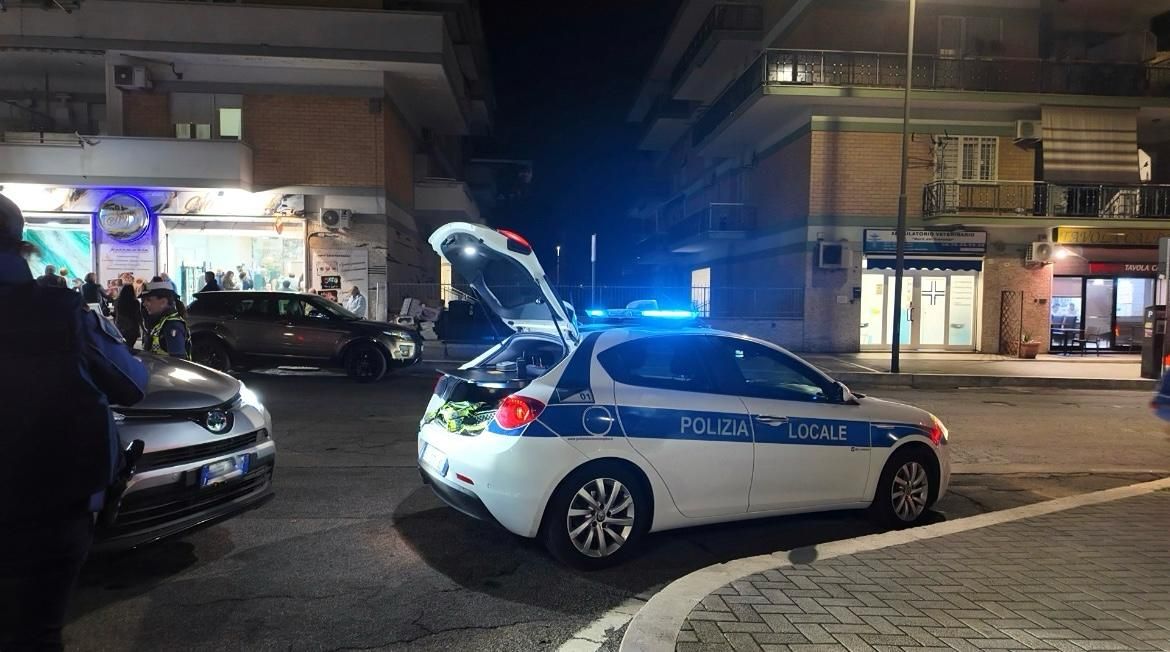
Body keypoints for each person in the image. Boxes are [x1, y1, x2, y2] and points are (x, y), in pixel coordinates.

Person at [0, 192, 148, 652]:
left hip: (46, 499)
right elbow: (131, 383)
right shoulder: (56, 311)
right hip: (48, 500)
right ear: (19, 242)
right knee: (34, 632)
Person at [141, 281, 191, 359]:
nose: (144, 304)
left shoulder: (172, 325)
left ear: (163, 302)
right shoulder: (162, 322)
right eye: (144, 300)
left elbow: (177, 361)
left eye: (148, 300)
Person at [113, 284, 143, 350]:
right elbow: (138, 316)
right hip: (132, 328)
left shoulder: (117, 301)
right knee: (130, 346)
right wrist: (143, 329)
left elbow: (115, 314)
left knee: (121, 346)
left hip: (120, 327)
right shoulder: (135, 302)